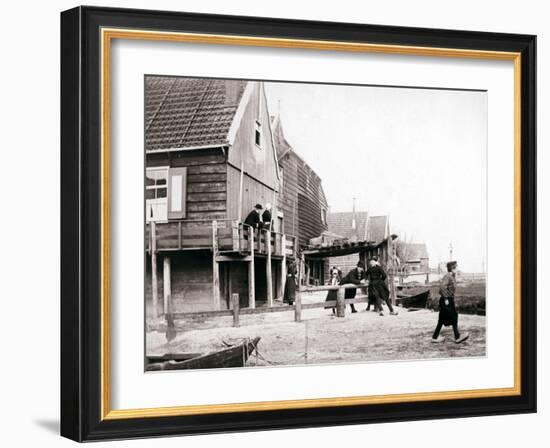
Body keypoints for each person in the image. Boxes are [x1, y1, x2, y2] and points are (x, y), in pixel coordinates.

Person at [431, 261, 469, 344]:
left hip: (448, 300)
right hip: (446, 300)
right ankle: (457, 337)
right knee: (454, 317)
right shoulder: (448, 276)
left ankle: (434, 337)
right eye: (456, 267)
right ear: (452, 268)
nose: (458, 268)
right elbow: (442, 287)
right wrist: (446, 299)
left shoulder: (451, 276)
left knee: (442, 320)